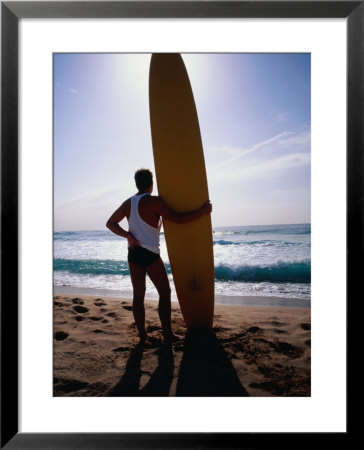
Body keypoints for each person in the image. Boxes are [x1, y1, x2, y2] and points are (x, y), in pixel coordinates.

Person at [106, 168, 212, 344]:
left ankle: (143, 336)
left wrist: (128, 236)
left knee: (138, 295)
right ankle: (168, 335)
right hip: (150, 253)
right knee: (165, 292)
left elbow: (110, 223)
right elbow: (177, 219)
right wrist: (202, 212)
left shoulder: (128, 203)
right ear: (151, 184)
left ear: (137, 183)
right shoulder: (153, 201)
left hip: (133, 253)